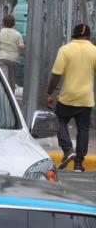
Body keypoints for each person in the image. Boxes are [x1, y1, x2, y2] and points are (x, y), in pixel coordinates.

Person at [47, 24, 96, 172]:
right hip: (86, 98)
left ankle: (68, 150)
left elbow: (57, 74)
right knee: (83, 129)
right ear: (88, 36)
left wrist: (49, 93)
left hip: (67, 97)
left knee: (59, 121)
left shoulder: (65, 49)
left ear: (73, 35)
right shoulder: (94, 51)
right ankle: (79, 164)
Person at [0, 14, 25, 93]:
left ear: (3, 23)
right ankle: (11, 96)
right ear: (14, 23)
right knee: (12, 80)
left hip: (1, 57)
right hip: (14, 59)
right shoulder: (18, 34)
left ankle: (2, 94)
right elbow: (22, 47)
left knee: (3, 78)